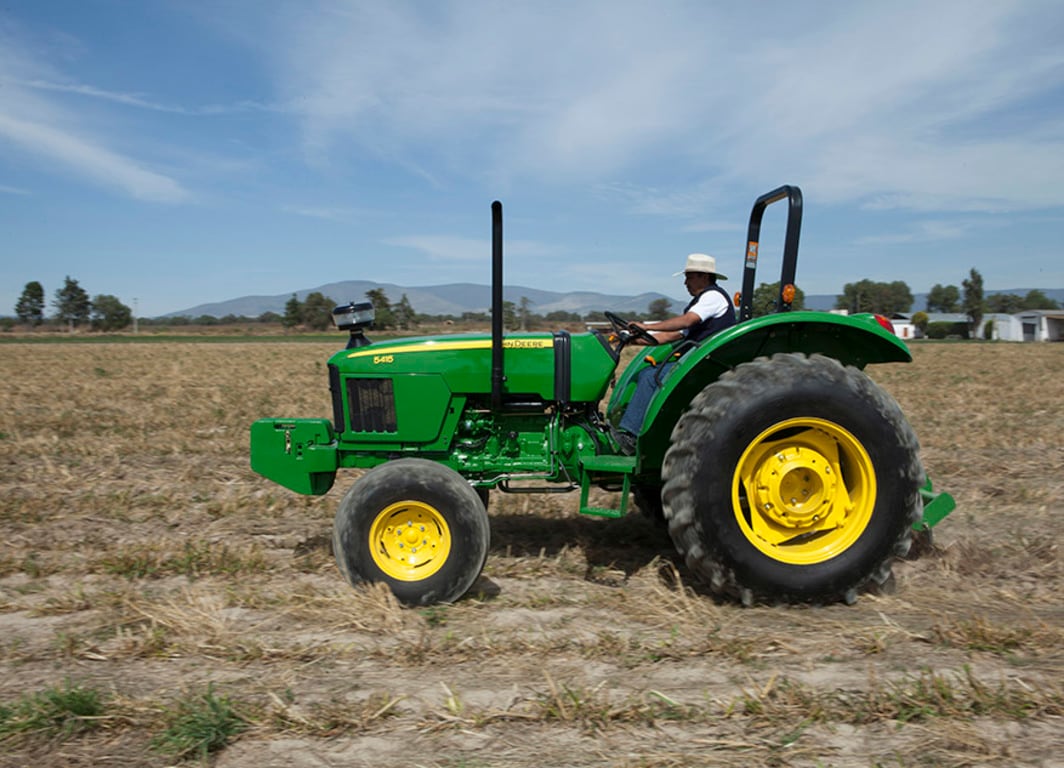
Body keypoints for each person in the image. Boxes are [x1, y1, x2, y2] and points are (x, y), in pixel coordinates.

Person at [613, 253, 736, 454]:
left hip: (707, 363)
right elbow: (670, 336)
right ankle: (630, 427)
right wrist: (629, 340)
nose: (685, 283)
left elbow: (686, 322)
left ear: (704, 277)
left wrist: (645, 325)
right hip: (699, 360)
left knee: (652, 377)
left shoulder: (712, 296)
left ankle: (631, 437)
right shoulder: (701, 302)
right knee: (646, 372)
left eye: (689, 277)